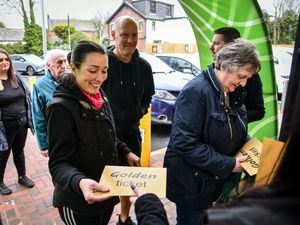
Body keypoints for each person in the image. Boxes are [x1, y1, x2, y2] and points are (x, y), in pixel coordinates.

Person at [163, 39, 261, 225]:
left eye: (247, 77)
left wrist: (251, 149)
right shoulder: (195, 92)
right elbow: (184, 143)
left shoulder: (233, 91)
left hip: (214, 184)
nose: (244, 83)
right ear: (224, 65)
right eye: (241, 76)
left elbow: (236, 128)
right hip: (193, 187)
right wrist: (228, 163)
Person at [46, 40, 140, 225]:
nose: (99, 77)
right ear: (74, 68)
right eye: (92, 70)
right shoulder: (61, 109)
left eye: (104, 70)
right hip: (79, 201)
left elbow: (108, 133)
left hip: (105, 192)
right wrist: (80, 182)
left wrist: (125, 151)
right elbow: (58, 163)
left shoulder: (100, 95)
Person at [102, 15, 155, 225]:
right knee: (103, 180)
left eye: (134, 35)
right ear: (113, 35)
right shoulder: (103, 65)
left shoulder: (144, 66)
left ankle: (124, 218)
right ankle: (101, 217)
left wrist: (139, 111)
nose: (130, 40)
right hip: (104, 135)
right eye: (125, 35)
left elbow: (148, 96)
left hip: (131, 134)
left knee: (129, 179)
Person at [210, 27, 265, 123]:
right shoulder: (199, 87)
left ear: (231, 47)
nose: (211, 47)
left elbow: (258, 111)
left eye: (217, 43)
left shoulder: (250, 77)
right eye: (241, 77)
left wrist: (231, 121)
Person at [0, 48, 34, 195]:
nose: (4, 62)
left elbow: (27, 97)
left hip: (22, 123)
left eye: (6, 59)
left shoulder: (16, 78)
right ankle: (0, 182)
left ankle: (22, 176)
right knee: (3, 154)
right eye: (0, 60)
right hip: (5, 127)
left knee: (19, 151)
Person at [31, 49, 67, 158]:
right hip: (55, 138)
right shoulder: (40, 86)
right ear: (48, 65)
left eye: (65, 61)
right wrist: (43, 145)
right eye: (59, 62)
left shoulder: (70, 80)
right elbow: (38, 117)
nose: (64, 66)